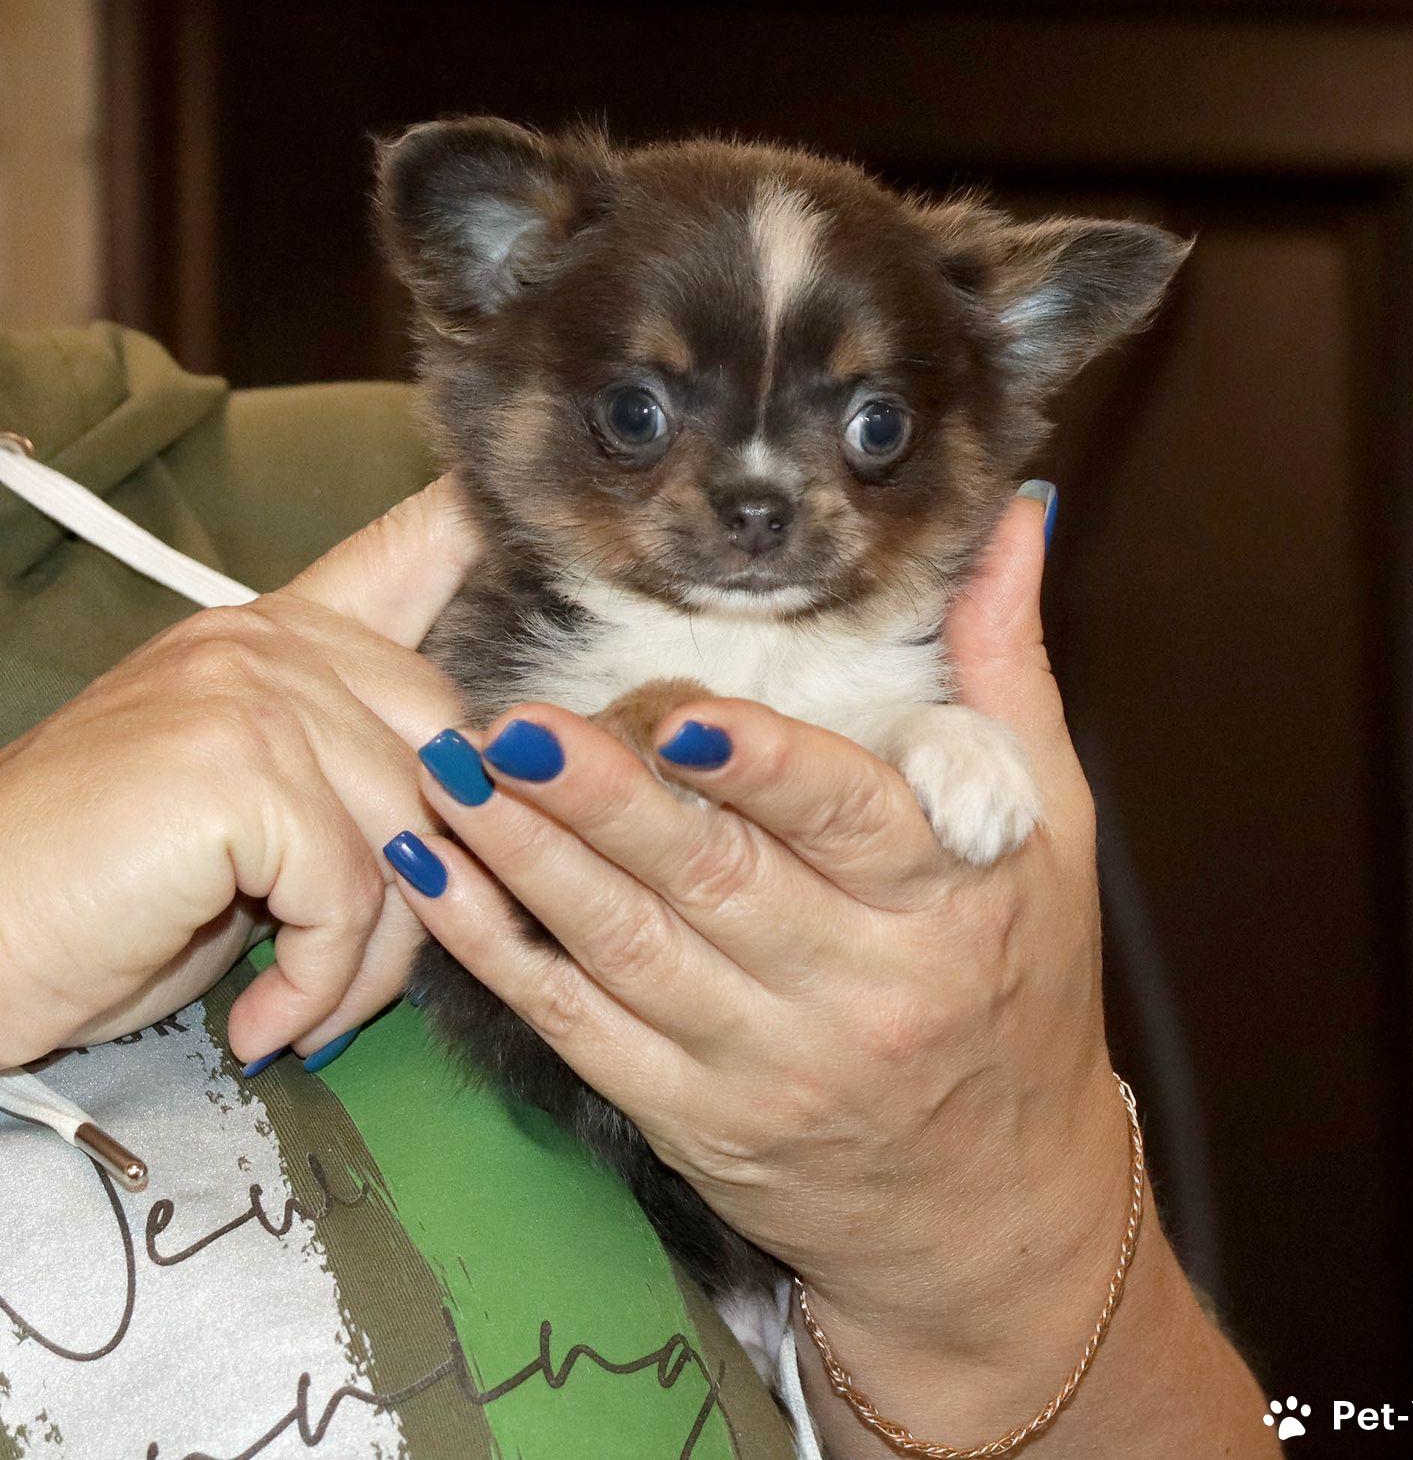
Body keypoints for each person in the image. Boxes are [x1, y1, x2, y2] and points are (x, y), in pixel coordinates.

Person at [0, 324, 1275, 1457]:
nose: (755, 489)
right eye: (641, 418)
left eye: (872, 428)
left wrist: (1017, 1245)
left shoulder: (383, 481)